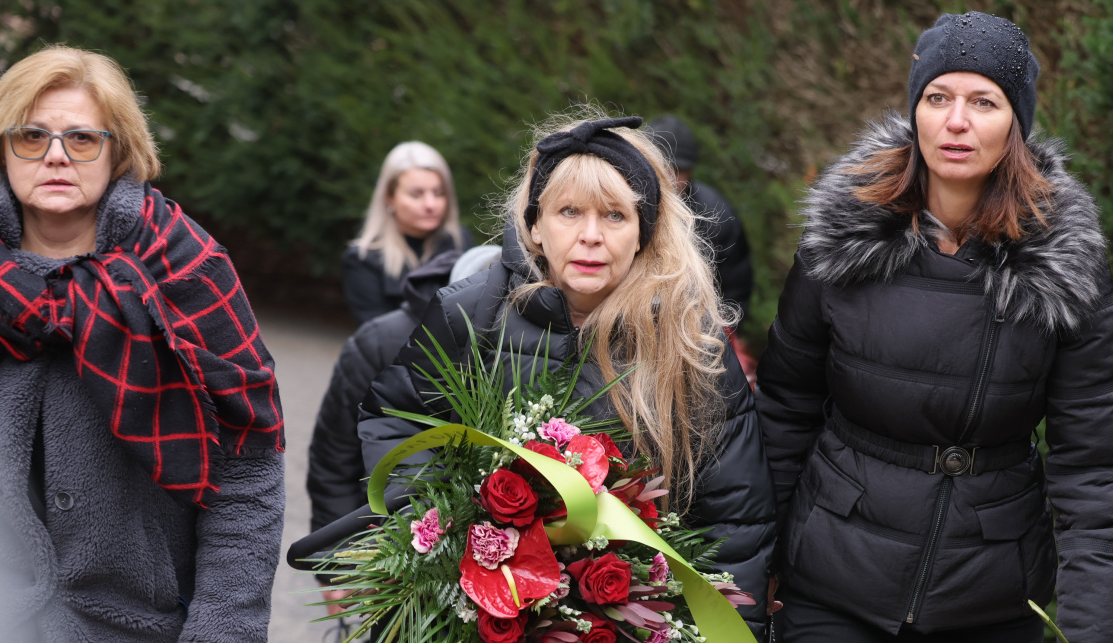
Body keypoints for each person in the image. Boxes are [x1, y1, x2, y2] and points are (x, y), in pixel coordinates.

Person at [756, 12, 1113, 642]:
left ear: (1016, 121)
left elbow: (1093, 468)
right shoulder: (842, 239)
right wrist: (750, 572)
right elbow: (785, 410)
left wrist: (1100, 626)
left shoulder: (1065, 263)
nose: (956, 121)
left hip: (990, 596)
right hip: (832, 584)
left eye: (983, 101)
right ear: (915, 112)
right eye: (938, 97)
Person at [355, 113, 777, 636]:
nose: (591, 236)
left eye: (615, 216)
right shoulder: (471, 313)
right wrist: (443, 530)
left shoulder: (693, 343)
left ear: (645, 230)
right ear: (534, 223)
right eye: (569, 212)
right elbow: (395, 420)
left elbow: (735, 517)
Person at [0, 45, 285, 642]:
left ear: (118, 149)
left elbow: (248, 472)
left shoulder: (187, 269)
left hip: (134, 626)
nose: (57, 157)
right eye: (32, 136)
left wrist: (223, 630)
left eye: (83, 139)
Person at [306, 245, 499, 622]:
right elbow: (334, 462)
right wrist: (336, 570)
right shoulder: (382, 341)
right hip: (390, 563)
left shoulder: (532, 347)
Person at [342, 141, 472, 327]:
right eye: (416, 194)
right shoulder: (362, 259)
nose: (430, 204)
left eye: (438, 193)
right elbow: (377, 336)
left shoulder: (460, 241)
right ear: (389, 197)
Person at [647, 115, 754, 323]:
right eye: (660, 167)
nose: (669, 178)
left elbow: (735, 294)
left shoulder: (718, 216)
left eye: (679, 171)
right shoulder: (617, 208)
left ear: (691, 171)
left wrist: (715, 337)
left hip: (693, 328)